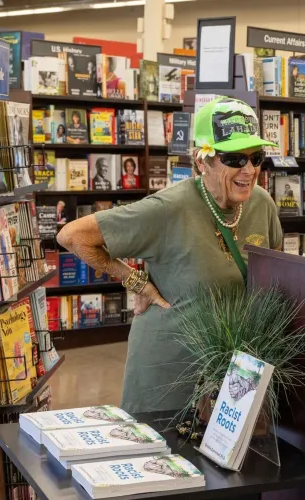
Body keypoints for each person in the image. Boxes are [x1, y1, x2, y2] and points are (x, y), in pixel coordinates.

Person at [57, 97, 282, 413]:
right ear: (202, 161)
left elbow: (277, 281)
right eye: (234, 159)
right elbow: (72, 236)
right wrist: (134, 280)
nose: (249, 169)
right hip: (169, 376)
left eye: (256, 157)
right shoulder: (168, 208)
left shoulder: (262, 205)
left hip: (231, 382)